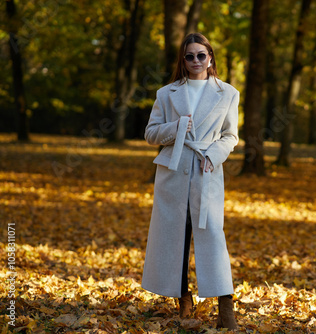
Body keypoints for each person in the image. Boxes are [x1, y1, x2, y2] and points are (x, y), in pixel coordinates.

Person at [141, 33, 239, 330]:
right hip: (173, 172)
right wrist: (177, 126)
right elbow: (151, 134)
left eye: (201, 55)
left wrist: (214, 155)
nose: (196, 61)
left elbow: (230, 135)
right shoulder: (166, 93)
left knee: (212, 237)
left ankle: (226, 307)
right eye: (189, 56)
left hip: (206, 170)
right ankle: (183, 299)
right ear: (182, 61)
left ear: (210, 57)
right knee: (175, 238)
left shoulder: (229, 93)